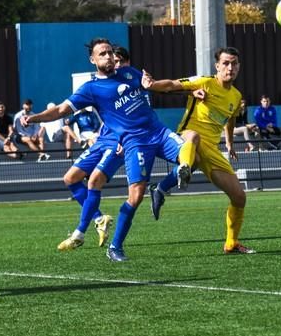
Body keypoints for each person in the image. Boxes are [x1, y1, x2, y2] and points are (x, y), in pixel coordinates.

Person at [21, 38, 189, 262]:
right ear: (93, 60)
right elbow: (61, 110)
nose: (109, 57)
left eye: (110, 53)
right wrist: (34, 118)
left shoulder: (130, 73)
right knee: (135, 196)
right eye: (103, 54)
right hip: (134, 143)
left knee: (192, 153)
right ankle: (115, 246)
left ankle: (160, 188)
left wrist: (189, 90)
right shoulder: (91, 89)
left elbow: (161, 86)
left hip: (158, 132)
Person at [143, 47, 256, 254]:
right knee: (193, 138)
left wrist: (229, 143)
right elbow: (172, 85)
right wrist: (152, 84)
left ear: (239, 66)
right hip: (188, 136)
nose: (230, 67)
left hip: (211, 149)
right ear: (217, 66)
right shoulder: (204, 82)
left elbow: (230, 120)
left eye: (234, 63)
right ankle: (184, 169)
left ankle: (231, 243)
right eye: (226, 63)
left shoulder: (236, 95)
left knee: (240, 198)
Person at [57, 45, 133, 252]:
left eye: (117, 61)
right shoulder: (99, 84)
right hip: (104, 138)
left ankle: (79, 234)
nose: (112, 62)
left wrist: (126, 139)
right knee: (70, 178)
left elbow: (137, 117)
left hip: (120, 141)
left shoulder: (132, 83)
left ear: (125, 64)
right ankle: (99, 218)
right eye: (108, 57)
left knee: (93, 181)